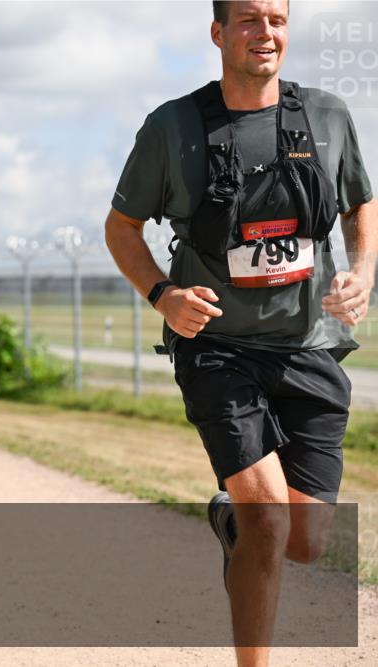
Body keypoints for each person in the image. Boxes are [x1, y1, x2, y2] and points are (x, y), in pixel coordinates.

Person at [104, 2, 375, 665]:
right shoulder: (172, 128)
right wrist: (164, 296)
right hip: (217, 347)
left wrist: (363, 272)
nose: (266, 33)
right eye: (249, 19)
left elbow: (360, 203)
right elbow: (121, 227)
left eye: (277, 19)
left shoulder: (328, 116)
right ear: (219, 32)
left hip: (309, 345)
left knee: (307, 538)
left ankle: (231, 516)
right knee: (270, 523)